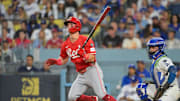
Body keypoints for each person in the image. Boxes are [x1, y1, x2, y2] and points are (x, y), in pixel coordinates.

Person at [46, 16, 116, 101]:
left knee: (102, 95)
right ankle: (92, 99)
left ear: (77, 26)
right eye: (67, 25)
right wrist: (56, 61)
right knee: (72, 97)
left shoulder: (86, 40)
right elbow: (64, 59)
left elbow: (92, 58)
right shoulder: (65, 44)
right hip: (81, 74)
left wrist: (83, 55)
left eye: (70, 24)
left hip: (92, 70)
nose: (68, 26)